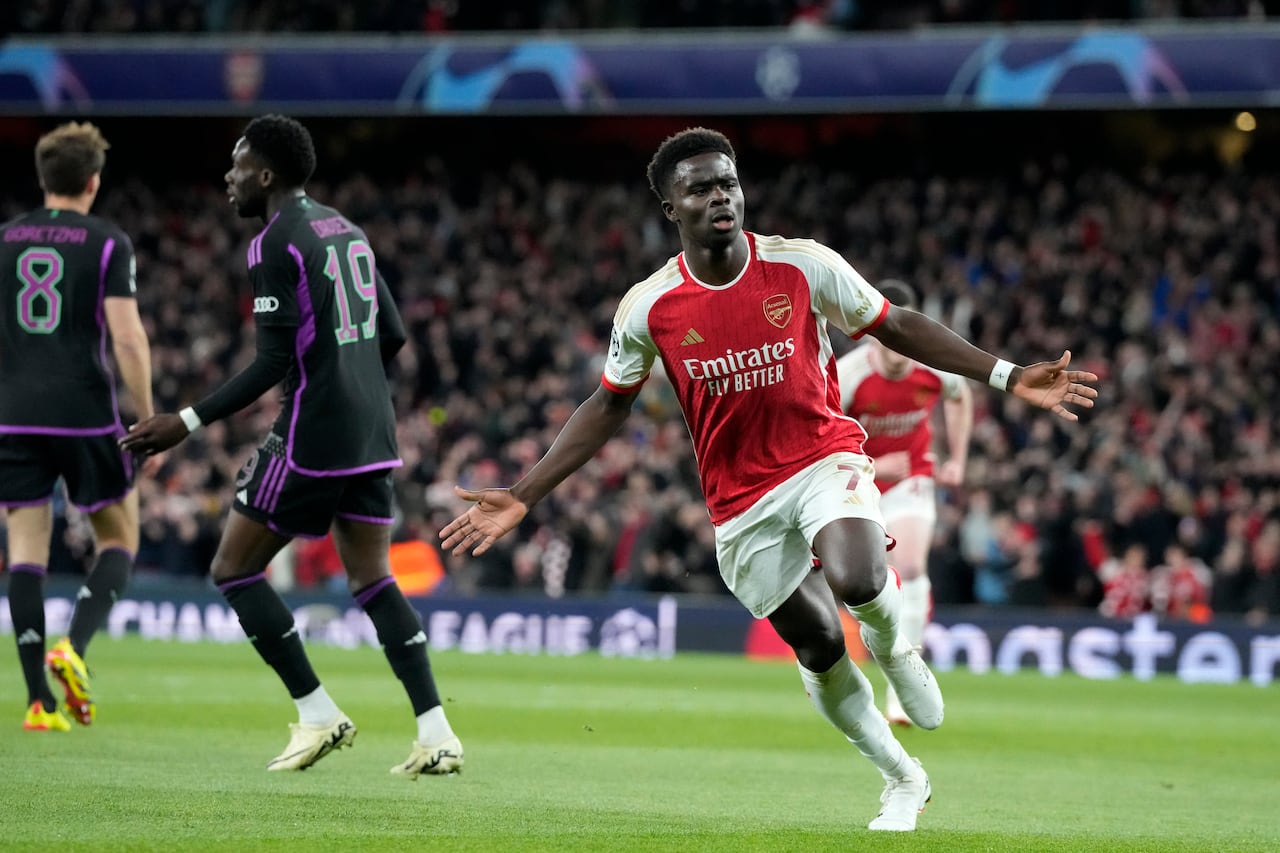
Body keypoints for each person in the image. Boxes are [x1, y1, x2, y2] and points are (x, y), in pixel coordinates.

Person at [440, 127, 1098, 832]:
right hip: (739, 501)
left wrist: (1007, 374)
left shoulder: (802, 265)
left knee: (856, 576)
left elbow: (895, 323)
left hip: (821, 457)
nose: (720, 197)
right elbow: (608, 404)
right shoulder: (650, 307)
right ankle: (902, 777)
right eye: (700, 189)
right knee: (819, 645)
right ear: (671, 208)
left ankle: (893, 645)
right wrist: (525, 493)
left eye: (728, 182)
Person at [120, 114, 462, 778]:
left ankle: (317, 712)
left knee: (233, 568)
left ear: (267, 174)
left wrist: (183, 421)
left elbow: (271, 363)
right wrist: (353, 379)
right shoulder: (346, 228)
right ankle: (437, 732)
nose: (229, 176)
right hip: (374, 430)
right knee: (373, 580)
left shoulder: (273, 242)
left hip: (315, 433)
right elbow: (392, 333)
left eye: (238, 165)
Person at [1, 122, 157, 732]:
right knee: (119, 539)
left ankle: (39, 703)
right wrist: (147, 417)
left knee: (25, 552)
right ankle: (75, 647)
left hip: (14, 414)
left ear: (43, 178)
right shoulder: (108, 242)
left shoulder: (6, 239)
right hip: (84, 411)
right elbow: (127, 337)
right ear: (93, 182)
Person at [836, 280, 973, 726]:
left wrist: (957, 458)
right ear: (874, 333)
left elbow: (960, 397)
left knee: (912, 568)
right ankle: (885, 658)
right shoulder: (848, 375)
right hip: (856, 484)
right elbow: (822, 438)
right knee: (869, 584)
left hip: (911, 480)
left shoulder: (934, 366)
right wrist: (873, 464)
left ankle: (905, 686)